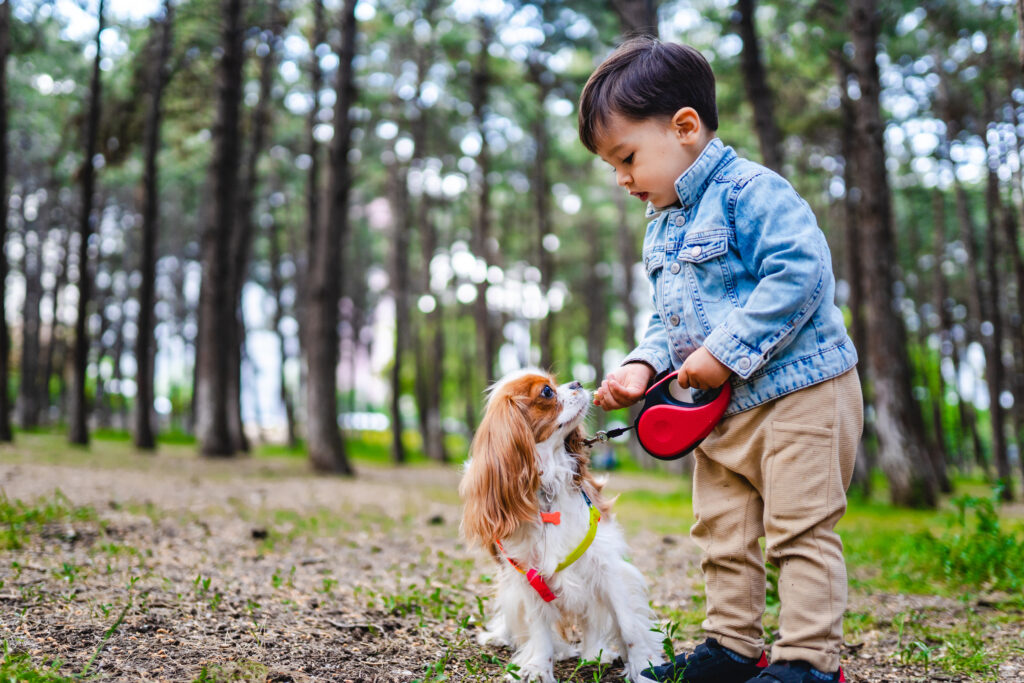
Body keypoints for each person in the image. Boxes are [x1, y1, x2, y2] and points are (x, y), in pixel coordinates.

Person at [579, 37, 863, 683]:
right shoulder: (665, 222)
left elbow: (799, 272)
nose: (622, 178)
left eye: (626, 157)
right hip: (719, 413)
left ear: (684, 127)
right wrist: (644, 366)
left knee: (800, 530)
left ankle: (807, 662)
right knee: (722, 531)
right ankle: (732, 648)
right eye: (611, 166)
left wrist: (725, 352)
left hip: (801, 393)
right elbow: (671, 317)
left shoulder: (750, 191)